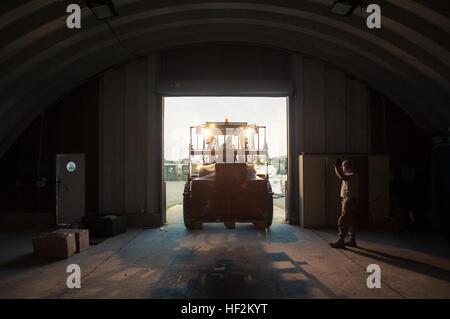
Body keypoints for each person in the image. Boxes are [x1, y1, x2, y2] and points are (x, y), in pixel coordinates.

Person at [329, 159, 359, 248]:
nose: (342, 168)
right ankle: (352, 240)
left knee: (343, 220)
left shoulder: (352, 175)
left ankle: (341, 240)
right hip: (351, 200)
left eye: (343, 166)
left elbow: (342, 177)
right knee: (351, 221)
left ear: (346, 167)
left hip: (349, 200)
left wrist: (336, 168)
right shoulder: (351, 175)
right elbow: (343, 176)